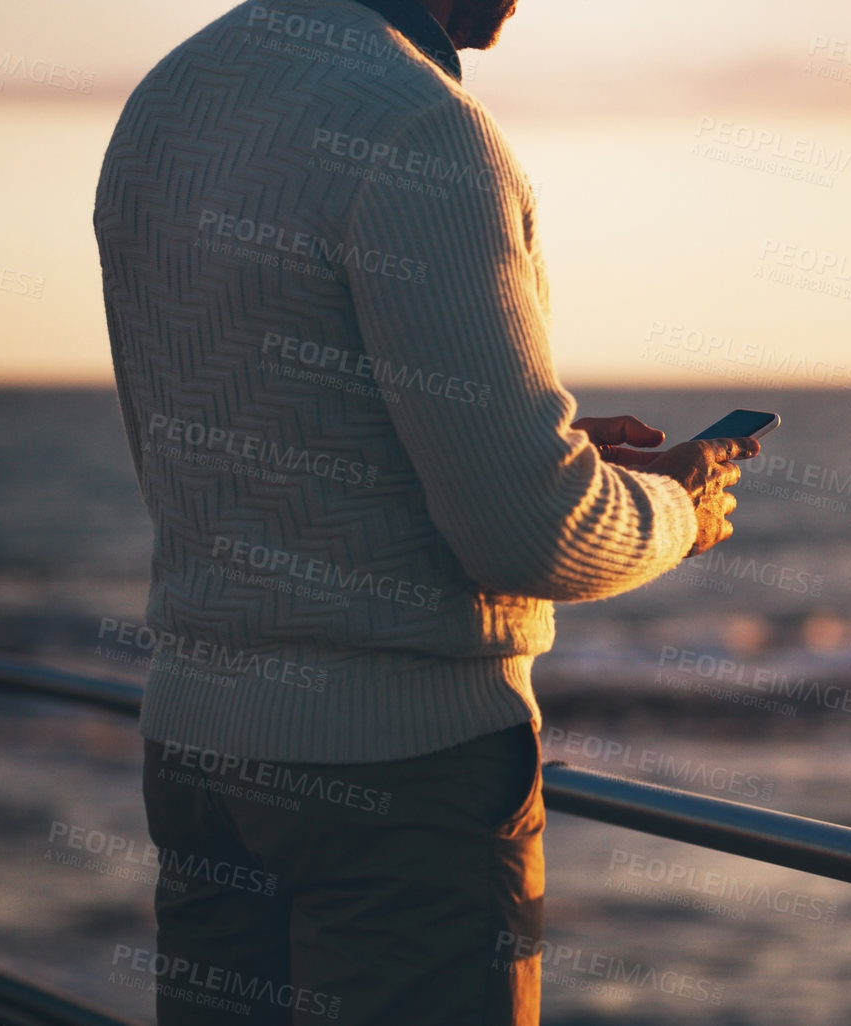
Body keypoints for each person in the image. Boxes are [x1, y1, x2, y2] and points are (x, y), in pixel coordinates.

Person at [91, 0, 755, 1021]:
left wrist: (535, 447)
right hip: (396, 777)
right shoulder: (420, 127)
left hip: (199, 753)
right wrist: (680, 502)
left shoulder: (169, 99)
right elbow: (534, 534)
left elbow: (296, 424)